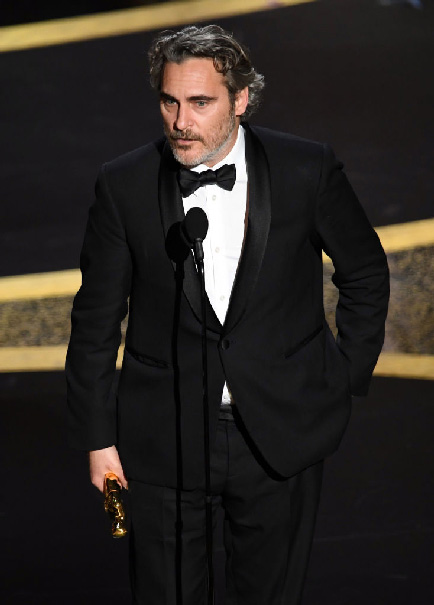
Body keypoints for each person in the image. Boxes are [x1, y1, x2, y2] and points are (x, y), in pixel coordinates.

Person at [66, 24, 389, 604]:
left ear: (241, 99)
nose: (180, 122)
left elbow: (364, 271)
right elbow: (94, 321)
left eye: (200, 102)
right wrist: (98, 438)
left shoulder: (305, 169)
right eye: (169, 101)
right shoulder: (124, 184)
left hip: (280, 433)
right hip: (162, 439)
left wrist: (342, 377)